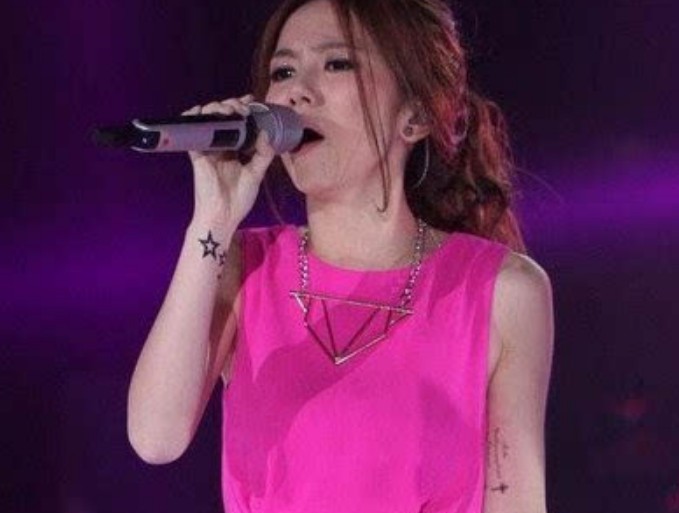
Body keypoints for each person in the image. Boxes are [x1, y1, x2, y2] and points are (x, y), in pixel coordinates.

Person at [127, 0, 554, 512]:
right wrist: (212, 220)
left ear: (415, 115)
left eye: (336, 63)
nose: (296, 92)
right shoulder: (242, 267)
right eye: (283, 72)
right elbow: (156, 438)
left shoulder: (503, 292)